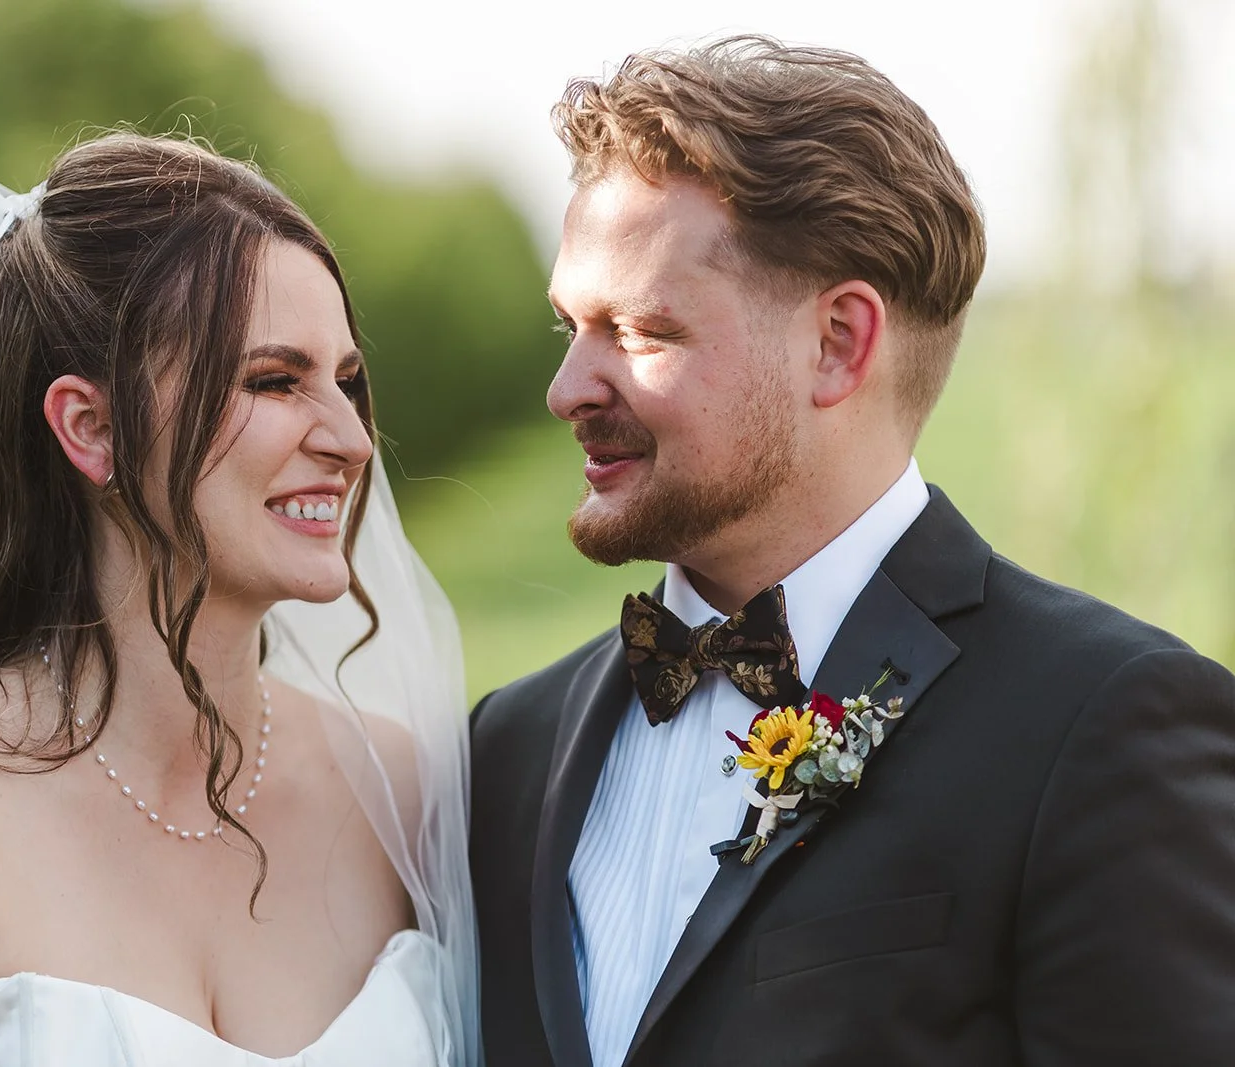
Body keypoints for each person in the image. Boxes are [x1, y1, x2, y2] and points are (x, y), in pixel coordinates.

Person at [470, 35, 1235, 1067]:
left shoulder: (1100, 724)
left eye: (639, 330)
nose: (567, 388)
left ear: (838, 343)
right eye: (569, 324)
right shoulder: (502, 748)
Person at [0, 132, 476, 1067]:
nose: (351, 439)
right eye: (274, 380)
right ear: (91, 427)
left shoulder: (400, 791)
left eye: (346, 381)